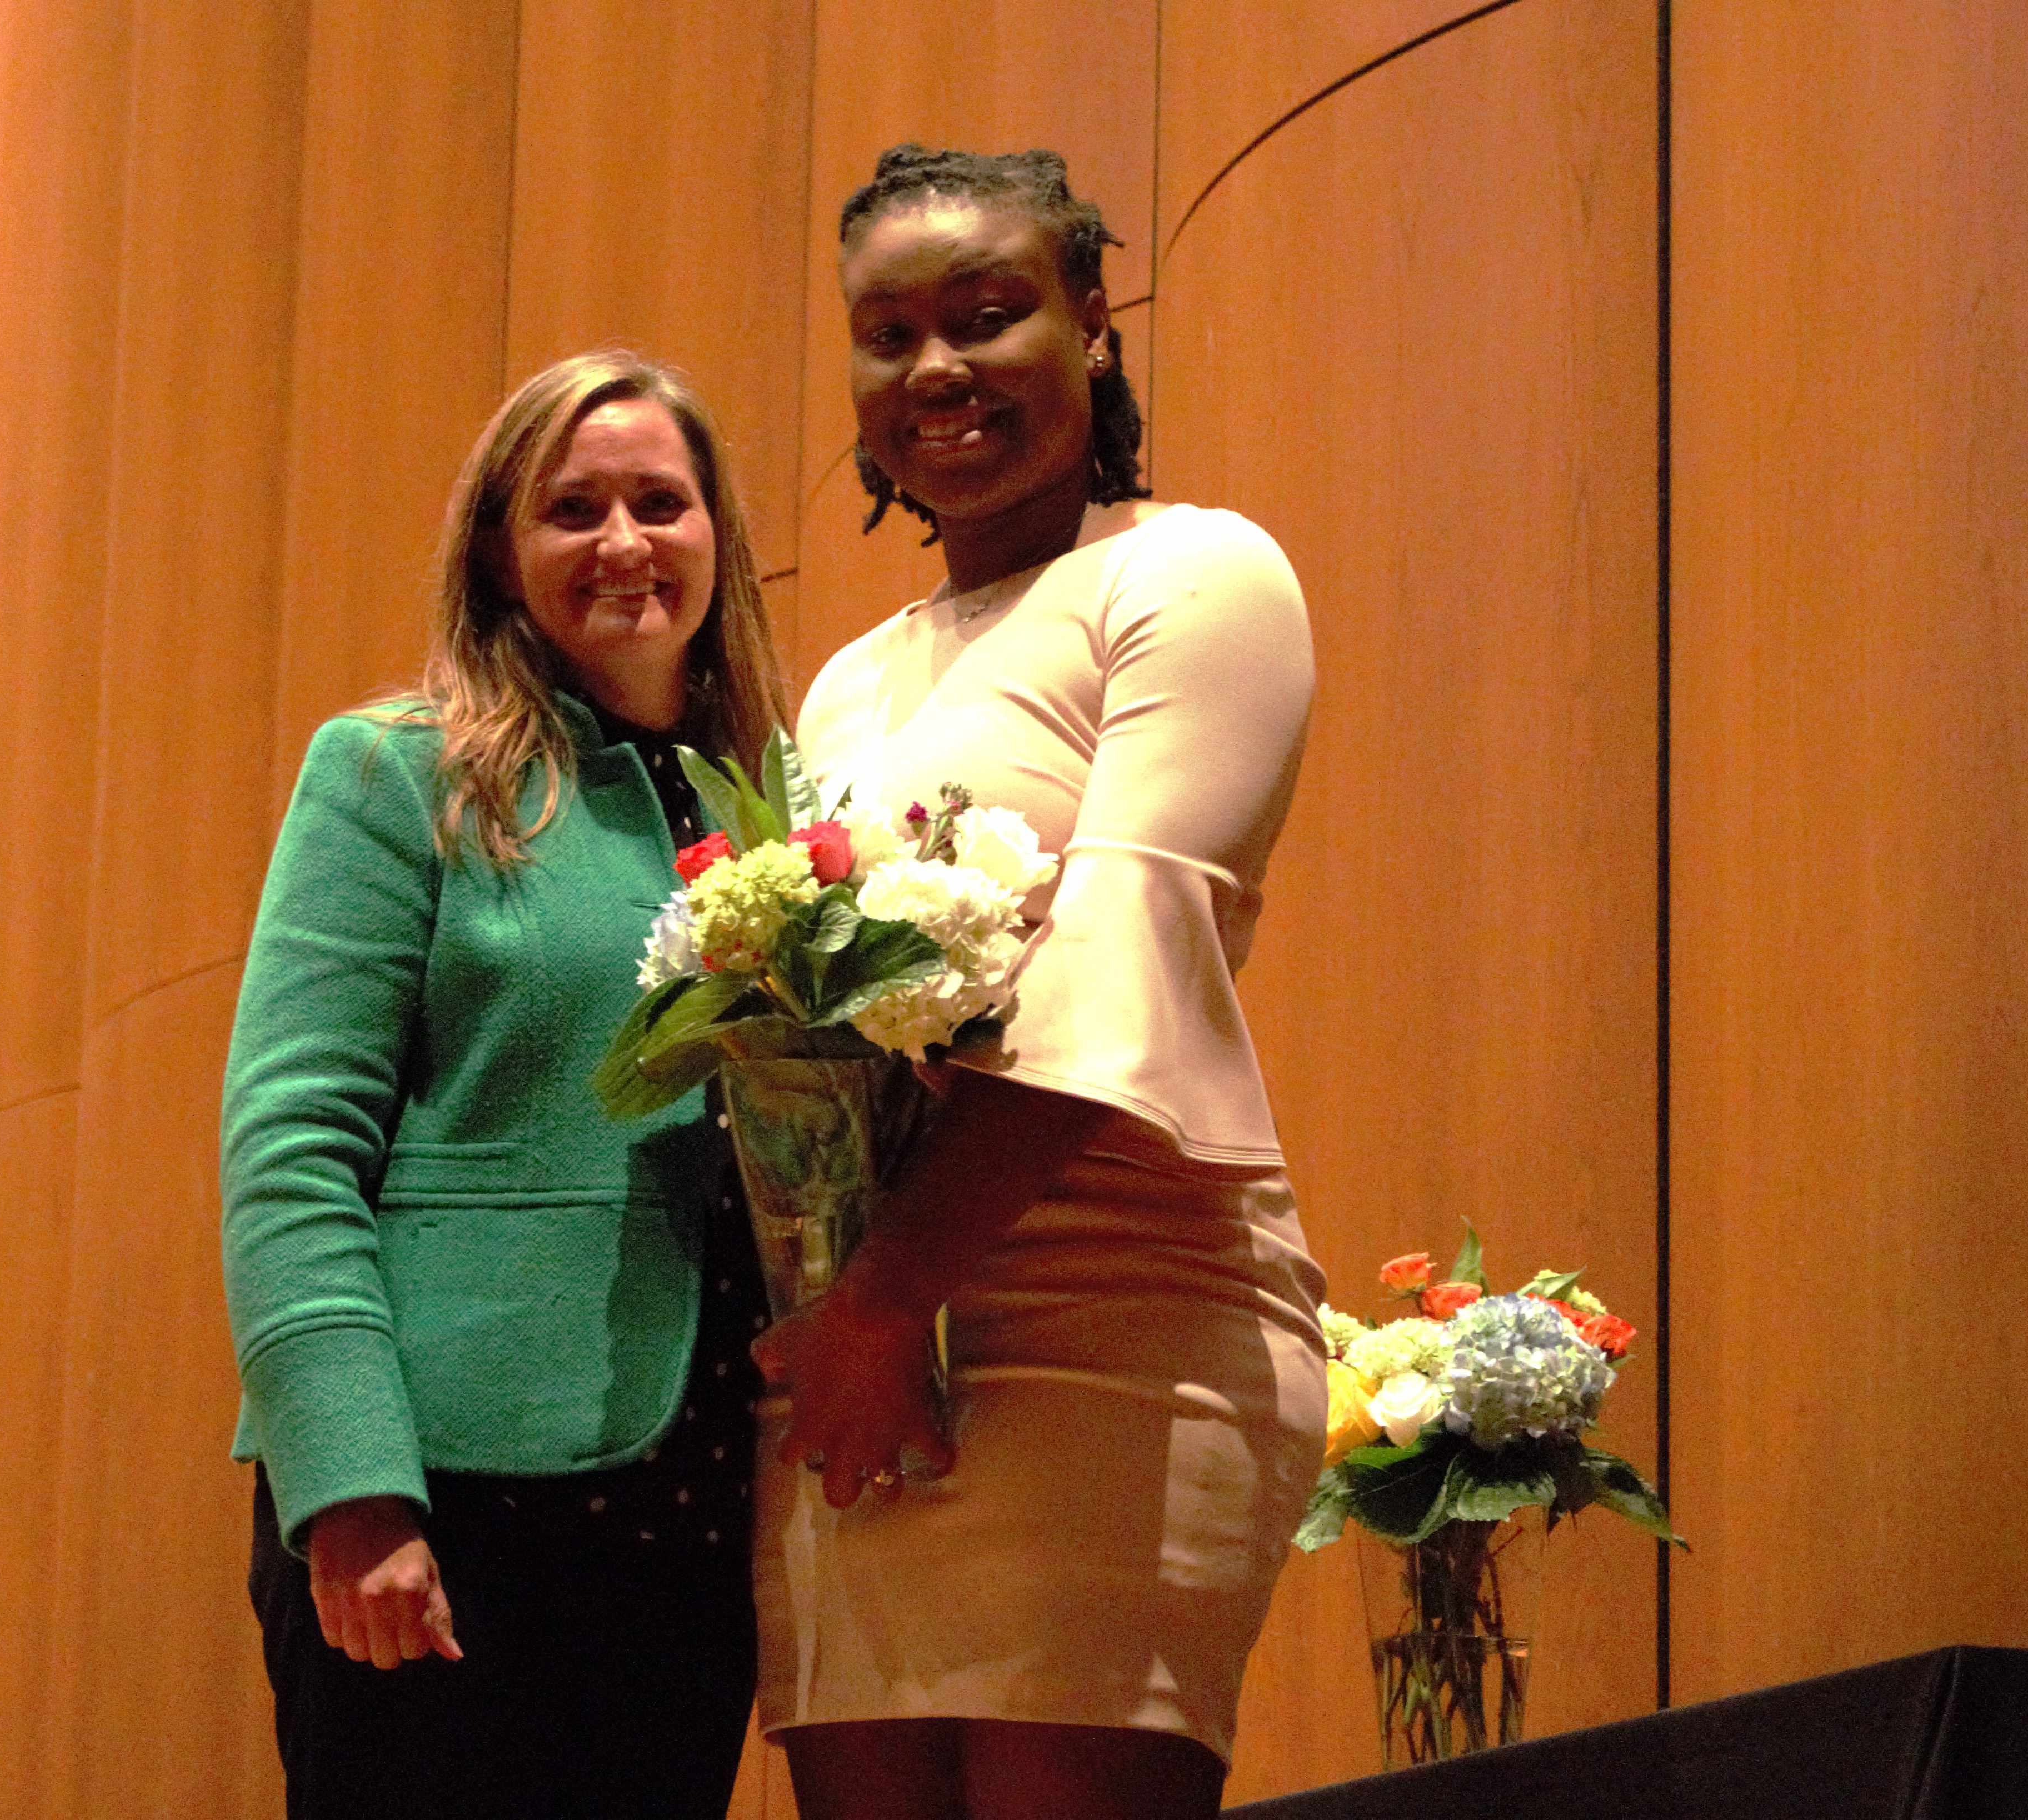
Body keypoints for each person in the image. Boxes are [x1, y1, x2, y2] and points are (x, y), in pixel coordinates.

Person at [748, 146, 1331, 1819]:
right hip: (869, 1351)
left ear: (1094, 325)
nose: (936, 368)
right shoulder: (850, 682)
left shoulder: (1194, 574)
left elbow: (1121, 964)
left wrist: (868, 1309)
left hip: (1116, 1321)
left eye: (990, 315)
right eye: (890, 333)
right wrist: (846, 1308)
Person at [221, 350, 788, 1819]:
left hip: (694, 1512)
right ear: (497, 547)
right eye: (572, 508)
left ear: (717, 531)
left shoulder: (785, 800)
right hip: (448, 1506)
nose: (623, 543)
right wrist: (350, 1485)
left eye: (660, 502)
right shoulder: (397, 772)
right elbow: (291, 1147)